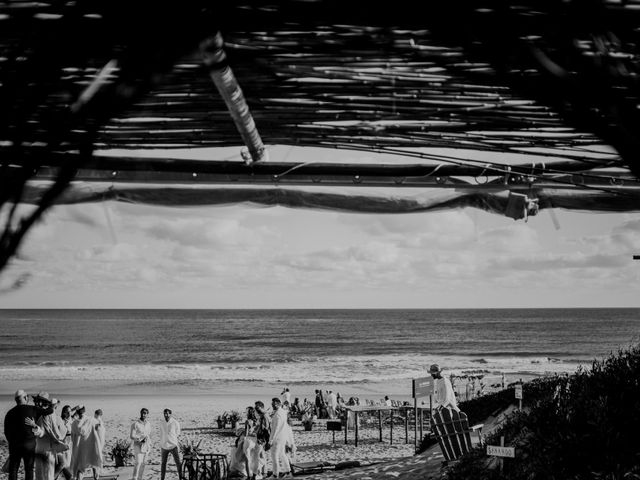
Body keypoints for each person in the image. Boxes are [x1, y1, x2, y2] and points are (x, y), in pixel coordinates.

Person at [5, 390, 38, 480]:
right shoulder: (31, 409)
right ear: (25, 398)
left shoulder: (9, 413)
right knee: (29, 469)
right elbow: (48, 411)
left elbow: (7, 432)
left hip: (15, 445)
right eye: (27, 396)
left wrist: (12, 442)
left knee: (14, 469)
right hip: (29, 445)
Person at [69, 405, 102, 480]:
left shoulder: (74, 424)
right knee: (94, 464)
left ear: (77, 412)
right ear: (84, 410)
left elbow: (72, 437)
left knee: (80, 468)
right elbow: (99, 428)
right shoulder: (91, 420)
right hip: (91, 446)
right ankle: (96, 478)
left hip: (80, 448)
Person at [268, 398, 291, 478]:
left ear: (278, 404)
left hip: (277, 438)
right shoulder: (283, 412)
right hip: (283, 437)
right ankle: (288, 471)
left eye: (273, 404)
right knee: (282, 454)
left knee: (275, 457)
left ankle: (275, 474)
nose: (272, 405)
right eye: (272, 404)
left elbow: (275, 429)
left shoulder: (278, 415)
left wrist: (270, 441)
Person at [159, 409, 181, 480]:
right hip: (164, 446)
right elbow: (161, 433)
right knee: (163, 463)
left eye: (168, 414)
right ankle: (162, 478)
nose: (167, 415)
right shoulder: (162, 422)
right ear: (164, 414)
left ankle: (181, 477)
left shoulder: (175, 422)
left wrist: (172, 438)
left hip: (173, 445)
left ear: (171, 414)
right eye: (165, 414)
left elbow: (177, 433)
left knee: (178, 462)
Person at [130, 408, 151, 480]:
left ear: (147, 414)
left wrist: (149, 445)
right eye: (142, 413)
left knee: (143, 463)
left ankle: (140, 478)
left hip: (146, 445)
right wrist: (140, 439)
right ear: (140, 413)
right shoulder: (135, 424)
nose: (143, 414)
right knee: (138, 462)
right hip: (137, 445)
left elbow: (148, 434)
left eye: (145, 413)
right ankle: (134, 478)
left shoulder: (148, 424)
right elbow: (132, 436)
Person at [54, 405, 73, 480]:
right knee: (62, 466)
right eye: (67, 412)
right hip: (62, 447)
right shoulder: (60, 421)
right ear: (63, 412)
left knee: (65, 467)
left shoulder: (71, 420)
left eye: (70, 411)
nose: (69, 413)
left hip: (69, 446)